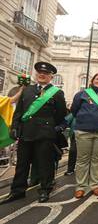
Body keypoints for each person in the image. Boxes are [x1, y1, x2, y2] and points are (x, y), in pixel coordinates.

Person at [1, 62, 67, 204]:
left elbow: (60, 115)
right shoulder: (27, 90)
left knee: (45, 164)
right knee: (22, 164)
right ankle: (17, 191)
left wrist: (51, 128)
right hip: (26, 133)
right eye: (39, 73)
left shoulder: (57, 93)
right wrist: (14, 127)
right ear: (37, 75)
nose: (42, 75)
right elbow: (19, 111)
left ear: (51, 77)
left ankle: (45, 189)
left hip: (45, 134)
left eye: (45, 74)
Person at [70, 73, 98, 198]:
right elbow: (74, 110)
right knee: (82, 159)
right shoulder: (81, 94)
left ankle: (95, 184)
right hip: (84, 131)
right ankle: (81, 186)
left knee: (97, 159)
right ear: (92, 81)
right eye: (97, 79)